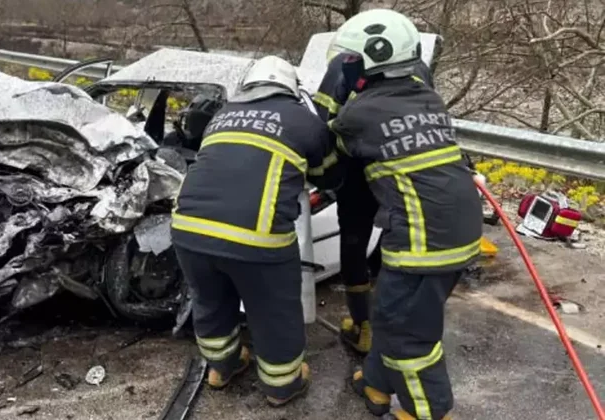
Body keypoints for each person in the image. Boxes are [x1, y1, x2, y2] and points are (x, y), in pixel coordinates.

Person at [324, 9, 483, 420]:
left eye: (351, 61)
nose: (347, 68)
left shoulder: (357, 116)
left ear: (370, 62)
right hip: (459, 228)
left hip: (423, 243)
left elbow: (327, 157)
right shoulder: (428, 97)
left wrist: (328, 99)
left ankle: (429, 411)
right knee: (395, 314)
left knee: (406, 332)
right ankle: (377, 385)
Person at [170, 55, 335, 407]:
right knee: (274, 309)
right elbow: (328, 175)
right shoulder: (305, 122)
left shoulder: (221, 116)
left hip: (188, 229)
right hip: (256, 238)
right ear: (291, 88)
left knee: (211, 300)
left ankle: (222, 366)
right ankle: (282, 385)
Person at [310, 34, 437, 356]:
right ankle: (396, 318)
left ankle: (363, 325)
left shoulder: (344, 64)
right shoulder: (417, 66)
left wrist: (325, 171)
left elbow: (323, 122)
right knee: (401, 234)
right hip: (403, 166)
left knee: (353, 240)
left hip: (357, 168)